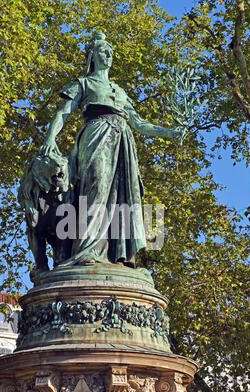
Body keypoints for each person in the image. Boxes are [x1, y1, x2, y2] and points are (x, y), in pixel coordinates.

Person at [40, 31, 180, 268]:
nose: (109, 55)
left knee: (122, 197)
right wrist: (50, 138)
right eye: (104, 51)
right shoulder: (84, 83)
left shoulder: (120, 91)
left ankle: (115, 254)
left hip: (122, 141)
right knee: (96, 184)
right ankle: (85, 249)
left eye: (111, 52)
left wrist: (170, 132)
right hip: (95, 134)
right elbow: (64, 113)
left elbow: (138, 123)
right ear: (93, 55)